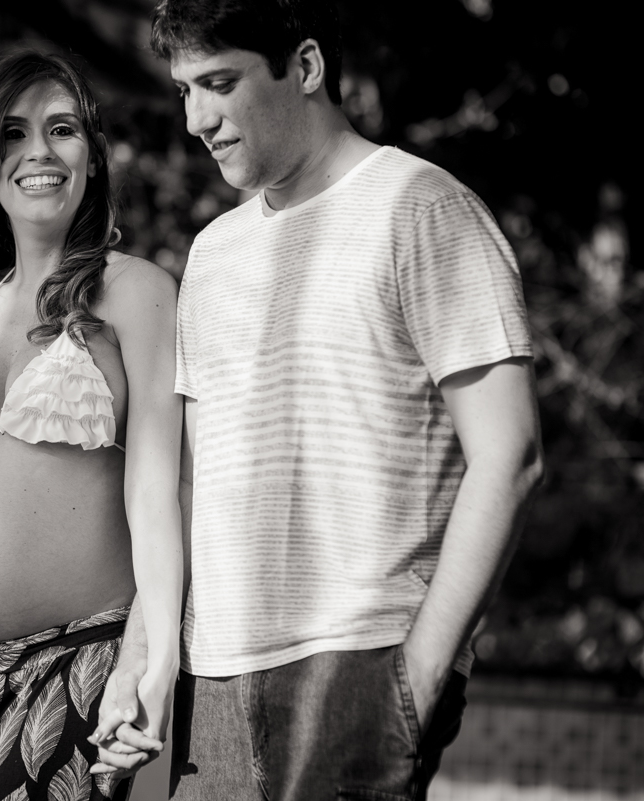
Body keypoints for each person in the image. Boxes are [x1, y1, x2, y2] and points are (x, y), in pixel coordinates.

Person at [91, 1, 545, 799]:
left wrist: (418, 676)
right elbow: (193, 485)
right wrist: (141, 656)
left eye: (219, 83)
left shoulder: (421, 206)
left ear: (305, 67)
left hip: (360, 662)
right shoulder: (214, 254)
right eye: (185, 90)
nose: (196, 119)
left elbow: (509, 455)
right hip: (213, 674)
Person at [0, 50, 184, 801]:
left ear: (93, 156)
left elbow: (161, 492)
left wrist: (150, 659)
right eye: (13, 134)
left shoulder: (135, 292)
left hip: (72, 667)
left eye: (62, 130)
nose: (38, 152)